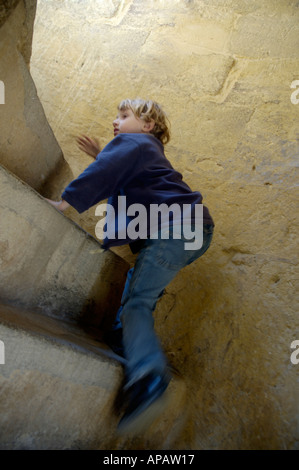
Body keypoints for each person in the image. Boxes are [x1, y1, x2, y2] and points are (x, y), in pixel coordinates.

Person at [45, 98, 214, 434]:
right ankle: (125, 336)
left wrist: (65, 202)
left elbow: (107, 172)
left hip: (176, 228)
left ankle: (150, 378)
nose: (115, 121)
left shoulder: (132, 143)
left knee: (139, 301)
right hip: (193, 231)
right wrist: (101, 155)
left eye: (123, 116)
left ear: (148, 125)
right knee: (141, 281)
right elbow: (125, 176)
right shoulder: (145, 150)